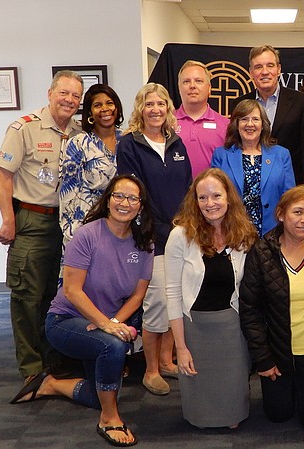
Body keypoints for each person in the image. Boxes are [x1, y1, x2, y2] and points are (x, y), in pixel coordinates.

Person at [10, 174, 154, 448]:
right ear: (108, 199)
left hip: (102, 324)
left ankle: (50, 384)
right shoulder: (87, 234)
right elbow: (73, 291)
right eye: (118, 196)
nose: (125, 203)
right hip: (66, 320)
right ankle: (109, 419)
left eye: (133, 198)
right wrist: (105, 325)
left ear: (141, 206)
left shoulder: (144, 242)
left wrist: (111, 322)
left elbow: (138, 295)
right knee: (113, 348)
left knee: (98, 392)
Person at [0, 70, 83, 387]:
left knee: (54, 295)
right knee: (26, 296)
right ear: (50, 93)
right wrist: (8, 219)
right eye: (64, 93)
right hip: (32, 220)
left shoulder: (77, 132)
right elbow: (3, 175)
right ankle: (31, 366)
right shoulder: (25, 128)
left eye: (76, 96)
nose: (70, 100)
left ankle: (51, 358)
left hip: (66, 223)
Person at [239, 186, 304, 430]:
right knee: (278, 414)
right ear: (281, 214)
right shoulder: (261, 253)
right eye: (298, 212)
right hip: (278, 351)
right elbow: (249, 309)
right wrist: (263, 359)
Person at [165, 168, 257, 429]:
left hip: (230, 326)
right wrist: (180, 348)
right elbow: (172, 292)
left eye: (216, 195)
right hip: (194, 328)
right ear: (194, 201)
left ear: (229, 198)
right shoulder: (180, 236)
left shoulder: (244, 235)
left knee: (233, 416)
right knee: (199, 418)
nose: (210, 203)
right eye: (202, 197)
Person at [117, 83, 192, 396]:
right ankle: (149, 370)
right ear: (140, 109)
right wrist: (155, 229)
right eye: (149, 104)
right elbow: (133, 195)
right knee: (158, 302)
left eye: (161, 104)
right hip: (151, 236)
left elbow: (188, 186)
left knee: (179, 297)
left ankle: (166, 359)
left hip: (181, 234)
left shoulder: (176, 143)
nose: (156, 110)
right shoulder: (129, 145)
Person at [231, 45, 304, 184]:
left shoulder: (302, 102)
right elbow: (235, 144)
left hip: (290, 184)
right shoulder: (239, 104)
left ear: (279, 69)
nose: (265, 72)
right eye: (258, 67)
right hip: (249, 184)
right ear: (251, 73)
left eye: (270, 65)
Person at [211, 99, 294, 237]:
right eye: (244, 119)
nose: (250, 124)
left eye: (255, 119)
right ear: (236, 124)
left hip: (272, 233)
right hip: (232, 231)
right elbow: (215, 196)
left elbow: (290, 198)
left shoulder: (281, 154)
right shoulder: (221, 155)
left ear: (263, 125)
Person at [59, 83, 124, 247]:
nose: (105, 109)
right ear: (89, 112)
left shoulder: (128, 140)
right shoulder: (79, 143)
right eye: (97, 105)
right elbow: (68, 192)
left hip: (123, 226)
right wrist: (71, 231)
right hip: (86, 226)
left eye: (109, 103)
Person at [174, 60, 230, 178]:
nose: (192, 86)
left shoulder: (226, 126)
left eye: (198, 81)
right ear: (179, 88)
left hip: (211, 194)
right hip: (174, 194)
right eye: (186, 81)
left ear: (209, 88)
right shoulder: (166, 123)